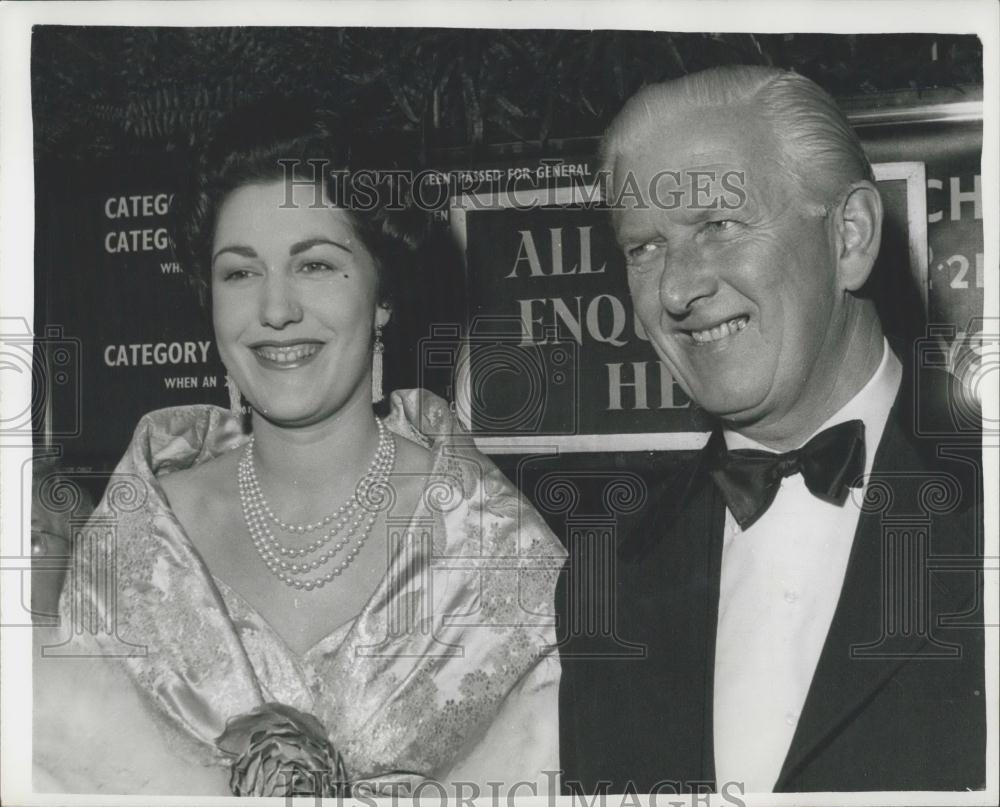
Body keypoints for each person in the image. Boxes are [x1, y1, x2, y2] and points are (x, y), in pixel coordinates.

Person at [33, 100, 565, 796]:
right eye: (239, 272)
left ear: (382, 294)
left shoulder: (494, 546)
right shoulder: (137, 537)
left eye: (314, 265)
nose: (276, 309)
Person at [558, 66, 985, 793]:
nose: (678, 289)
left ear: (849, 236)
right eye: (644, 248)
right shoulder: (607, 576)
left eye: (719, 226)